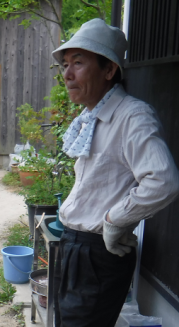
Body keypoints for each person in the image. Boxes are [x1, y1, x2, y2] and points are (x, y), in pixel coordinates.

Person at [51, 19, 179, 326]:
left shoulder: (132, 116)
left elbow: (163, 180)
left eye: (78, 63)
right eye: (66, 64)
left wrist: (114, 219)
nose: (67, 74)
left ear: (109, 70)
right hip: (76, 248)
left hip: (96, 256)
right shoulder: (92, 115)